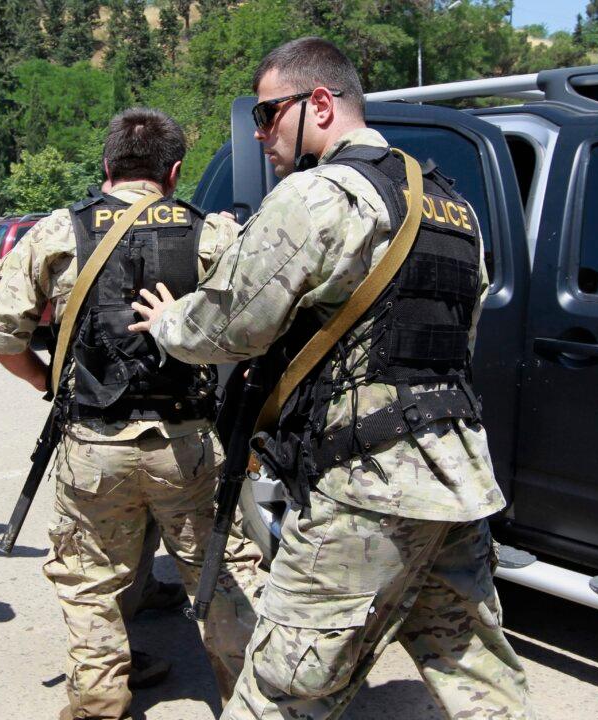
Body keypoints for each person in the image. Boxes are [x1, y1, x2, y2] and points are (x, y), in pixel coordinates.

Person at [130, 38, 535, 720]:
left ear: (318, 103)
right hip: (457, 482)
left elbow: (229, 325)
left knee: (281, 693)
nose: (260, 135)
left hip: (366, 490)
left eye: (267, 114)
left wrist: (171, 321)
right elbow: (455, 341)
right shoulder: (452, 207)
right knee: (479, 681)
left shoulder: (319, 196)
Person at [0, 108, 262, 720]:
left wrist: (48, 383)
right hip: (186, 443)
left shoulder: (59, 231)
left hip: (92, 441)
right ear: (175, 171)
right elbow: (258, 332)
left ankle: (100, 704)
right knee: (221, 574)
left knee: (88, 583)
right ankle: (253, 704)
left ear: (106, 167)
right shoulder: (212, 233)